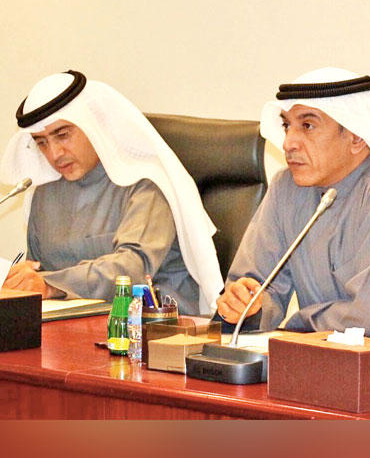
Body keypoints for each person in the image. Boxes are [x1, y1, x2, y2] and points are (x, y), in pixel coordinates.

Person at [216, 67, 370, 348]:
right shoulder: (287, 188)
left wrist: (293, 327)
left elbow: (368, 321)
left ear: (356, 137)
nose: (288, 143)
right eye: (287, 126)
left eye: (307, 126)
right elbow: (259, 286)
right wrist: (245, 306)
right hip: (324, 356)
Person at [0, 70, 224, 314]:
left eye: (62, 135)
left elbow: (132, 269)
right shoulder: (43, 195)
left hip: (155, 326)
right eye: (41, 142)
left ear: (93, 125)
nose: (54, 154)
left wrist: (51, 284)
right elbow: (36, 271)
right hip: (71, 325)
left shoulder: (145, 186)